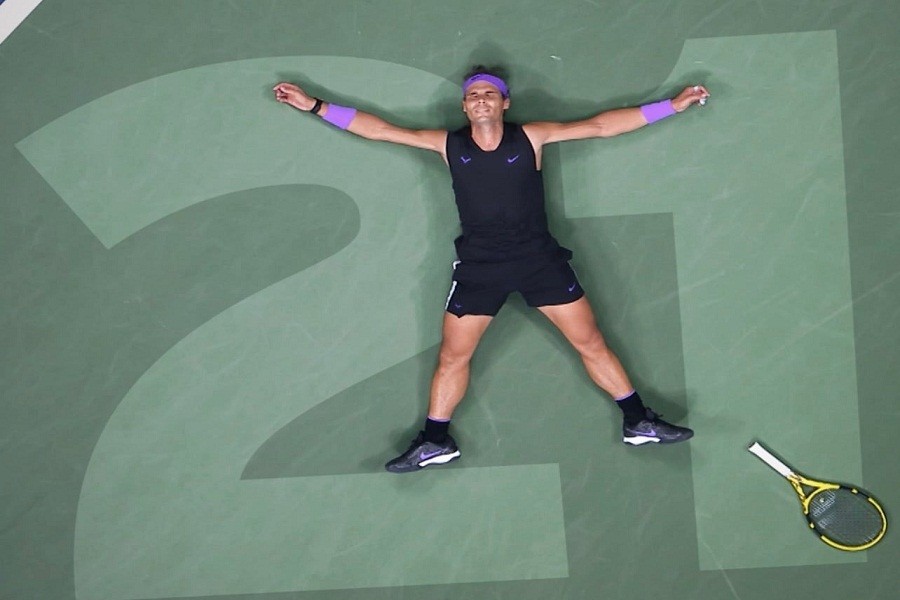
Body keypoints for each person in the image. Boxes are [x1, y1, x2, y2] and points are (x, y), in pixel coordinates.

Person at [273, 67, 709, 474]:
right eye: (473, 95)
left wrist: (672, 106)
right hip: (481, 268)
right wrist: (315, 106)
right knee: (452, 357)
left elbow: (600, 126)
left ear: (505, 103)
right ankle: (435, 441)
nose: (481, 99)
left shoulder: (532, 137)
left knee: (591, 342)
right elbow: (381, 130)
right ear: (465, 107)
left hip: (540, 262)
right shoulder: (448, 145)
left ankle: (637, 421)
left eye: (489, 94)